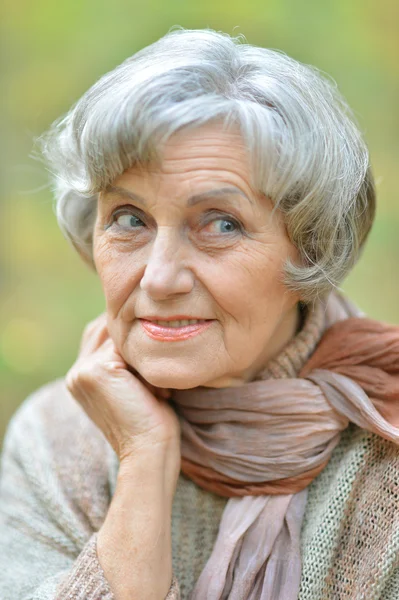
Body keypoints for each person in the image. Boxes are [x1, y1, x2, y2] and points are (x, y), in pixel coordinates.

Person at [1, 27, 399, 600]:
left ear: (310, 250)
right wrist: (142, 461)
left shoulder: (384, 450)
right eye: (129, 218)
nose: (159, 278)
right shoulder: (57, 441)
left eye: (221, 223)